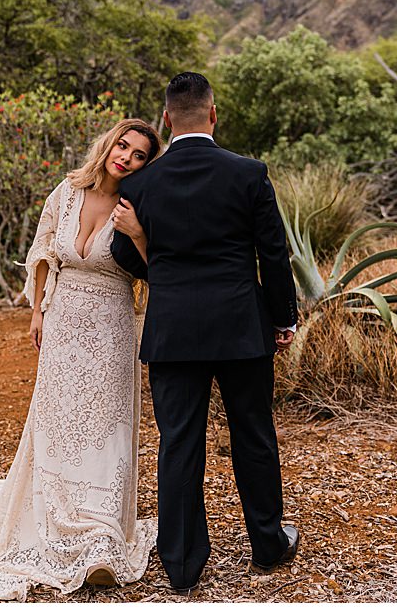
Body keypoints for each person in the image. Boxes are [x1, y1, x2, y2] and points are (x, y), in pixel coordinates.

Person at [0, 119, 163, 600]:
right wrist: (39, 310)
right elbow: (43, 251)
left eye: (139, 154)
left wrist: (139, 234)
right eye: (122, 145)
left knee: (105, 423)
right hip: (62, 319)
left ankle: (101, 533)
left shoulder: (138, 205)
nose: (125, 156)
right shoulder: (66, 191)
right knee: (58, 419)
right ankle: (54, 511)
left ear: (147, 164)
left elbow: (156, 271)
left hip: (112, 323)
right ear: (108, 144)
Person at [108, 72, 300, 595]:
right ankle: (268, 543)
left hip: (172, 332)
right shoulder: (249, 173)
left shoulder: (141, 184)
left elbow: (125, 257)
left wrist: (156, 250)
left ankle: (182, 563)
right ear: (214, 114)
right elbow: (273, 255)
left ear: (167, 119)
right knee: (254, 435)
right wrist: (283, 318)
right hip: (242, 328)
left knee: (179, 443)